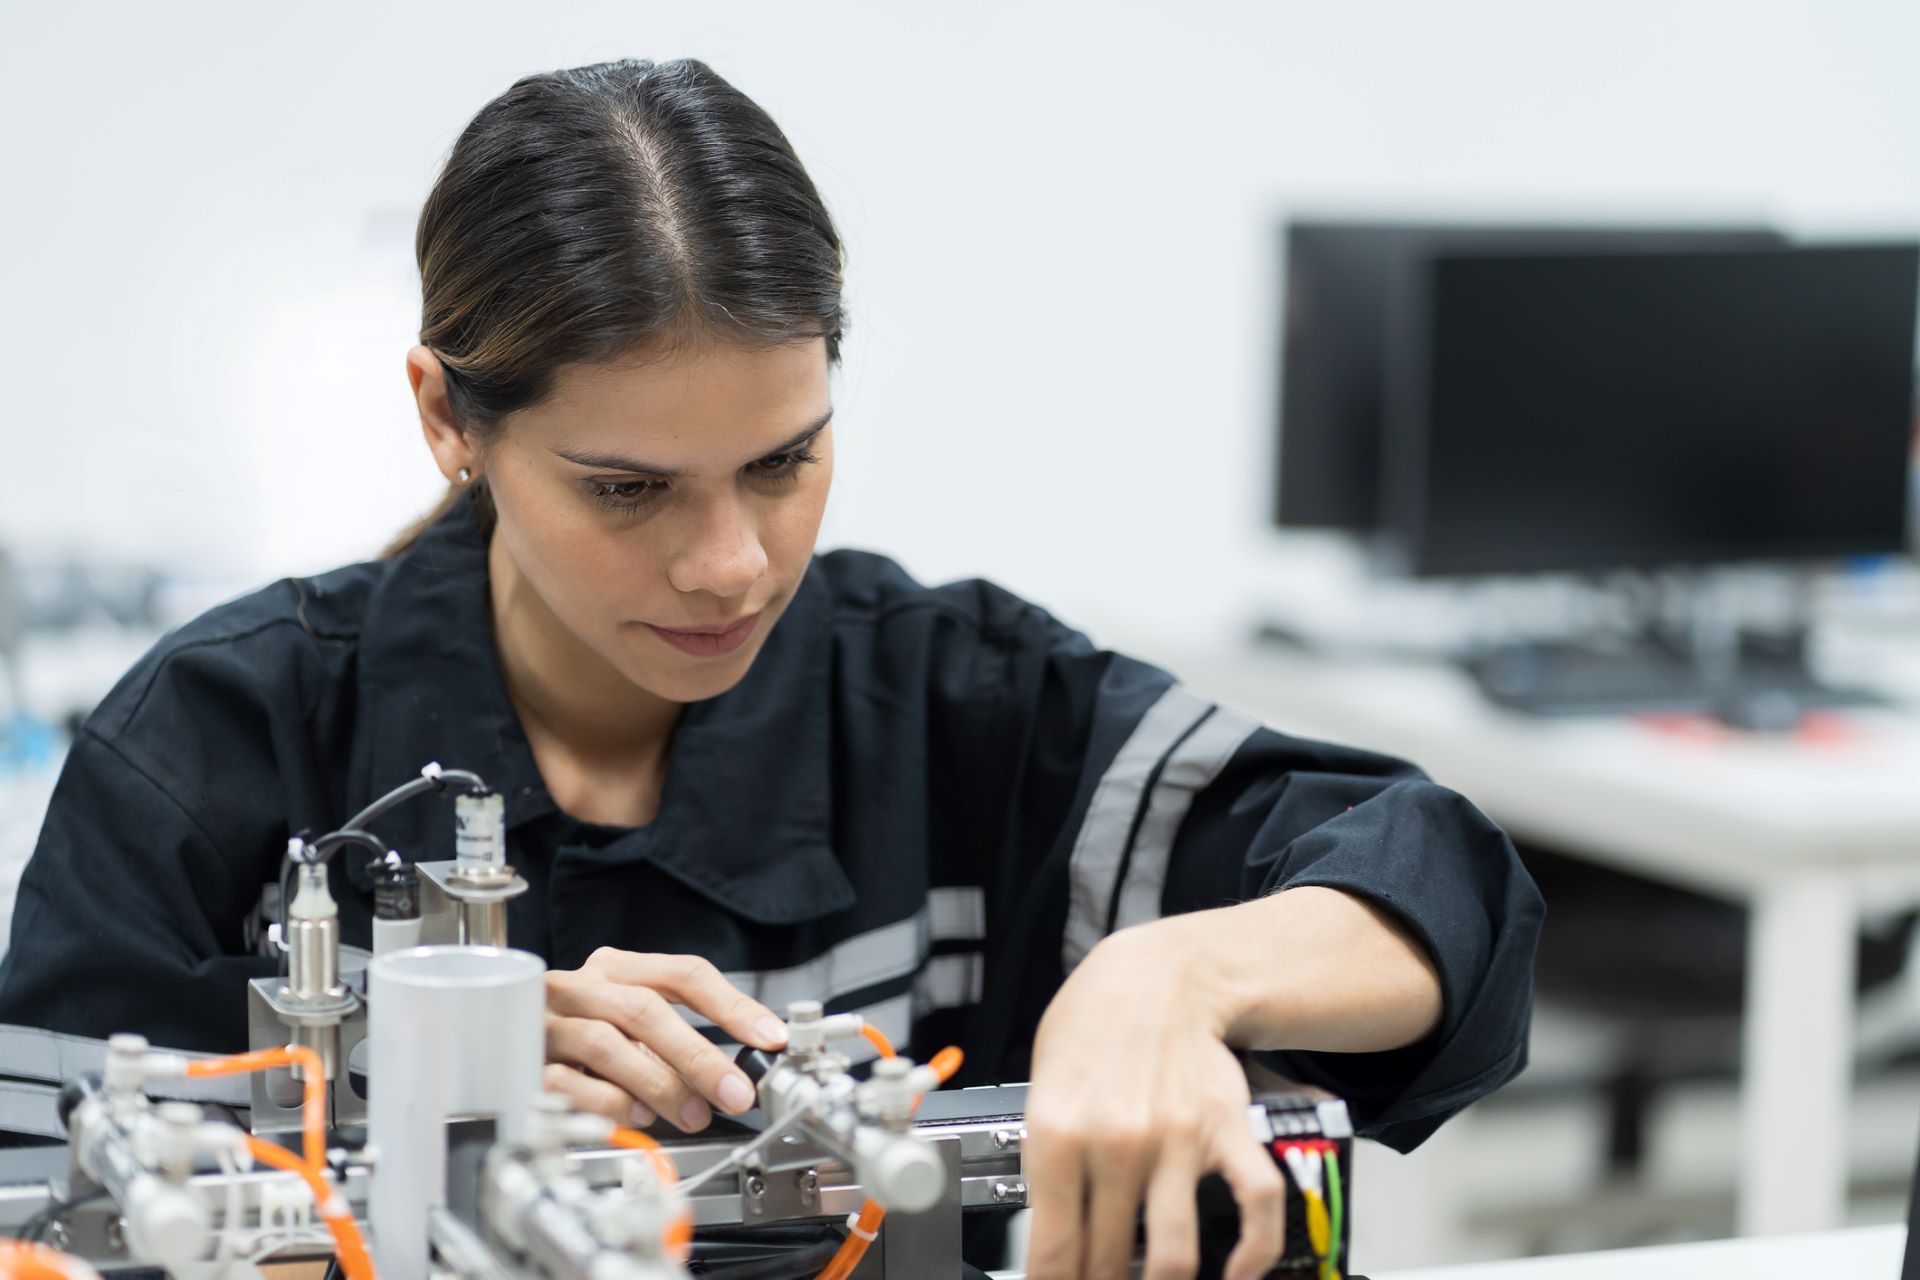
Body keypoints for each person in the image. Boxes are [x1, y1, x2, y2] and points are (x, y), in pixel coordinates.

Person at [0, 58, 1542, 1280]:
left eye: (784, 461)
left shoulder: (948, 699)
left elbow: (1443, 888)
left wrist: (1172, 975)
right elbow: (34, 1205)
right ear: (446, 420)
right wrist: (389, 1086)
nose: (731, 561)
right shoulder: (219, 743)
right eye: (627, 489)